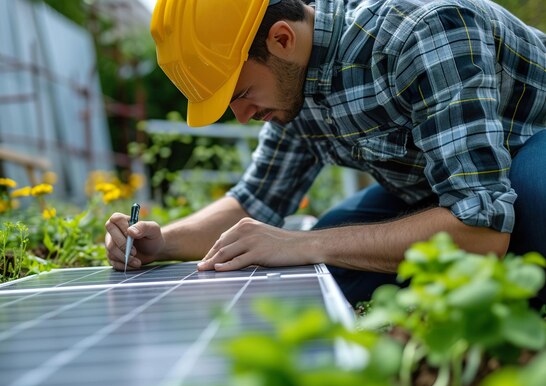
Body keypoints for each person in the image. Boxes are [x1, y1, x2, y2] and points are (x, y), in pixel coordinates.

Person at [106, 0, 546, 305]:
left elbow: (480, 228)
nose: (241, 116)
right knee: (333, 254)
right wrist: (163, 242)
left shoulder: (425, 31)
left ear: (281, 39)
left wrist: (303, 242)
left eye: (239, 94)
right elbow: (255, 200)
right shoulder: (291, 85)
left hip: (528, 148)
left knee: (530, 210)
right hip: (450, 184)